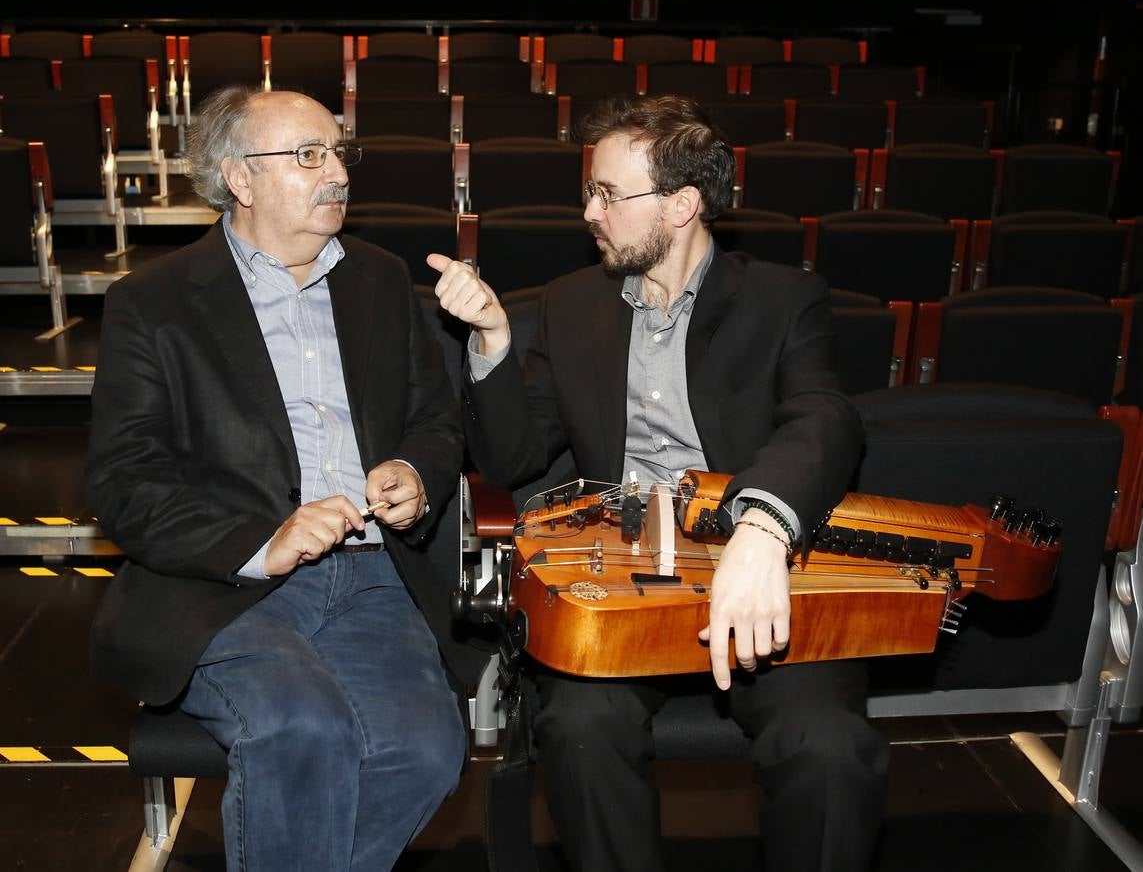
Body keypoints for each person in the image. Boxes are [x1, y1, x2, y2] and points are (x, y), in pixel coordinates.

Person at [431, 94, 889, 872]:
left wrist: (761, 527)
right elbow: (510, 458)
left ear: (680, 204)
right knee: (578, 729)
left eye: (608, 194)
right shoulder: (571, 304)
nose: (589, 212)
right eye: (590, 192)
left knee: (829, 746)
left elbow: (825, 419)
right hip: (624, 588)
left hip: (754, 570)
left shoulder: (781, 299)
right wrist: (493, 342)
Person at [87, 86, 467, 872]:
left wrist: (413, 472)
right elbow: (123, 481)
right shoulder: (153, 303)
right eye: (307, 155)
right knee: (303, 727)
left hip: (371, 573)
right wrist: (264, 539)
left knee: (423, 747)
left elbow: (436, 421)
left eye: (337, 152)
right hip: (224, 585)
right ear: (240, 179)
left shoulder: (379, 278)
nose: (335, 172)